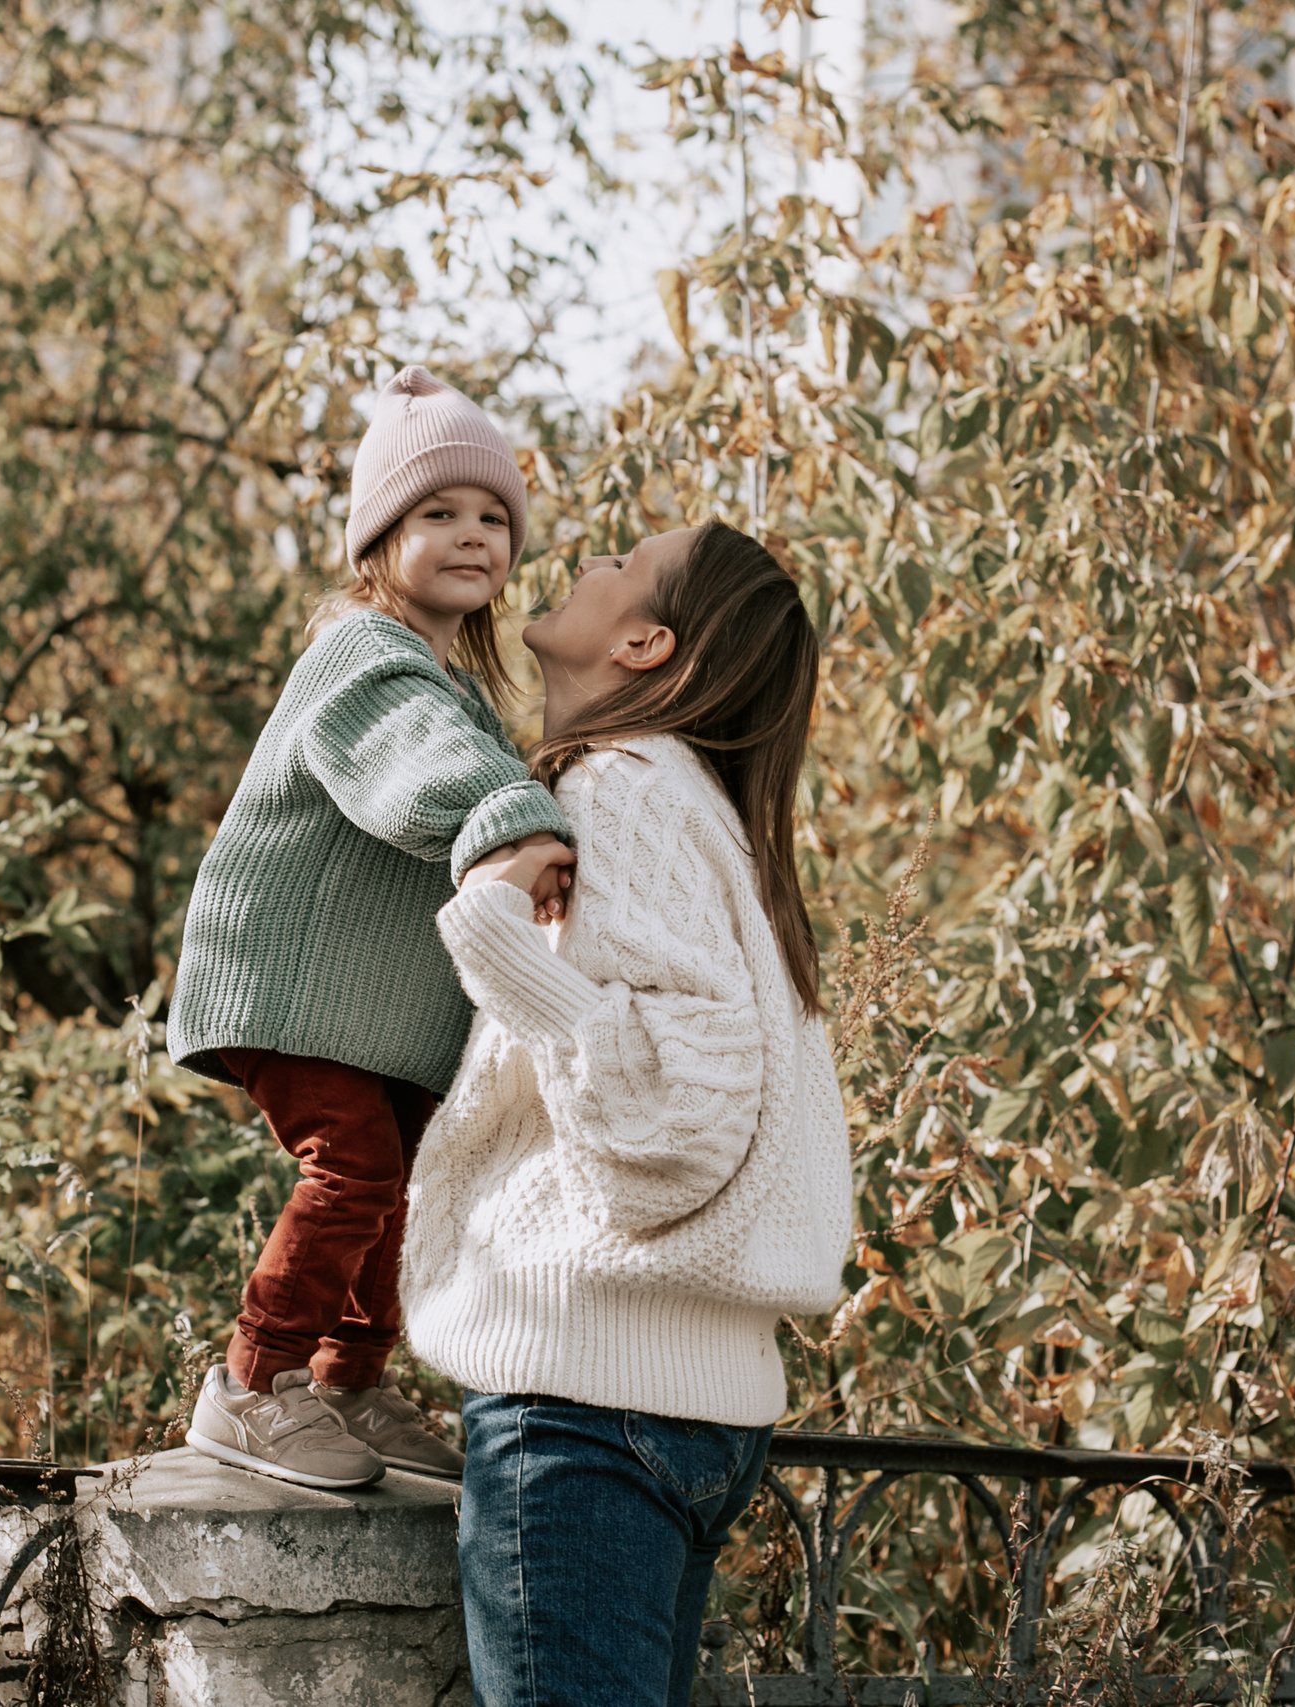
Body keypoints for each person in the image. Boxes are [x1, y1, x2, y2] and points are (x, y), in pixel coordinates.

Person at [401, 520, 857, 1705]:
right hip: (675, 1412)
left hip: (589, 1414)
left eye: (620, 567)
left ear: (647, 643)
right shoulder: (700, 806)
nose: (588, 562)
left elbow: (679, 1122)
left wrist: (498, 938)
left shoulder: (623, 787)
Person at [168, 366, 574, 1489]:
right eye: (436, 513)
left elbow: (474, 753)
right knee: (351, 1168)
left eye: (493, 518)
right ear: (376, 540)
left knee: (410, 1176)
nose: (471, 535)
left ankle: (348, 1383)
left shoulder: (454, 683)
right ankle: (253, 1385)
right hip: (291, 988)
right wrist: (508, 823)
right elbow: (416, 770)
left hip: (374, 1012)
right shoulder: (363, 655)